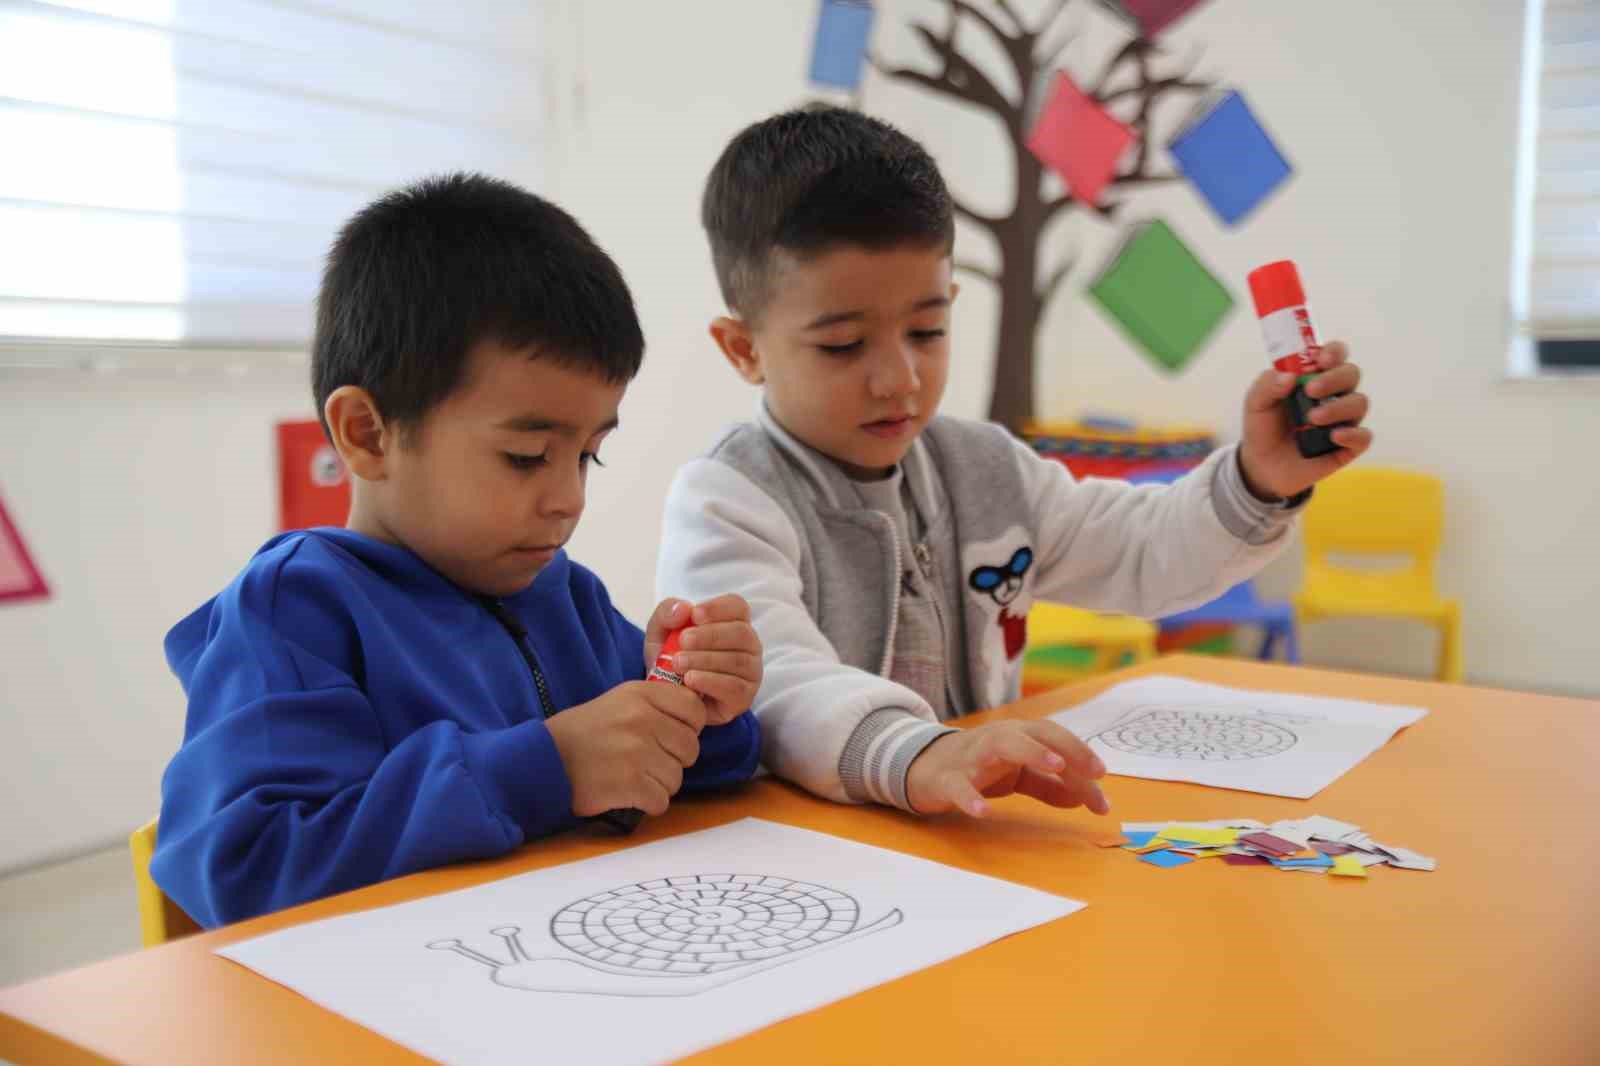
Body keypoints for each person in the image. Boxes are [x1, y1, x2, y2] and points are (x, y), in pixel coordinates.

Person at [657, 108, 1371, 820]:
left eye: (927, 330)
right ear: (744, 349)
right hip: (819, 854)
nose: (899, 377)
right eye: (843, 345)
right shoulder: (726, 498)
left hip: (970, 835)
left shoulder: (986, 469)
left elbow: (1143, 551)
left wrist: (1258, 479)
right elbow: (775, 678)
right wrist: (922, 754)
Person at [154, 174, 763, 927]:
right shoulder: (295, 612)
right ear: (369, 435)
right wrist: (550, 768)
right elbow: (244, 869)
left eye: (588, 456)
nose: (569, 498)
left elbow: (675, 781)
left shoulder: (563, 594)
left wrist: (701, 708)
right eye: (526, 456)